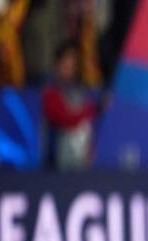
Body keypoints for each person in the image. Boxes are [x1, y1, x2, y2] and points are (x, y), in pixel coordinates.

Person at [42, 40, 105, 170]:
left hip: (81, 163)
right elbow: (65, 119)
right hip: (57, 164)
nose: (70, 67)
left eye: (74, 63)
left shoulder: (80, 90)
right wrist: (93, 109)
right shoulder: (50, 91)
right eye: (66, 62)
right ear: (57, 63)